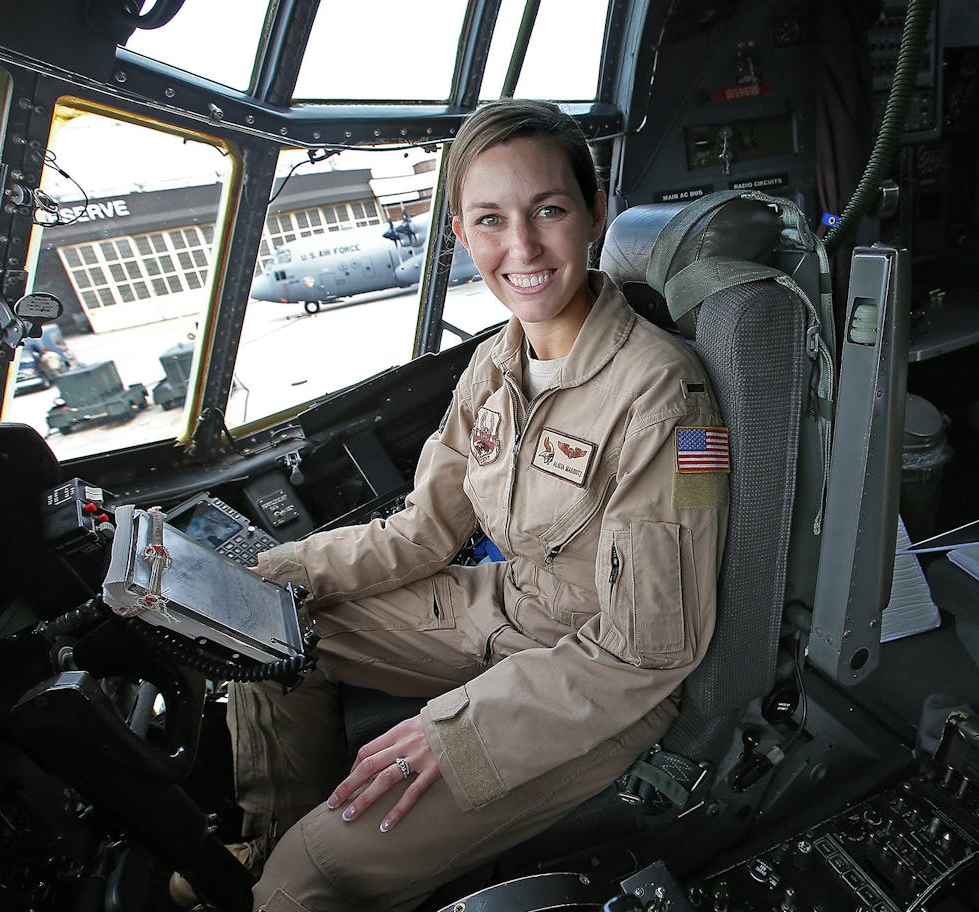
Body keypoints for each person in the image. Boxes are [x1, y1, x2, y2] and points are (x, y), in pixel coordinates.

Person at [182, 100, 729, 912]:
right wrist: (259, 573)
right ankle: (261, 852)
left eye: (548, 210)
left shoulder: (662, 397)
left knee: (314, 882)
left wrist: (461, 731)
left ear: (593, 213)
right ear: (461, 236)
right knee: (274, 634)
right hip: (501, 612)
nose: (523, 248)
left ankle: (286, 879)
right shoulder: (494, 366)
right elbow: (420, 533)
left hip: (598, 685)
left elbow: (645, 655)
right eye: (490, 220)